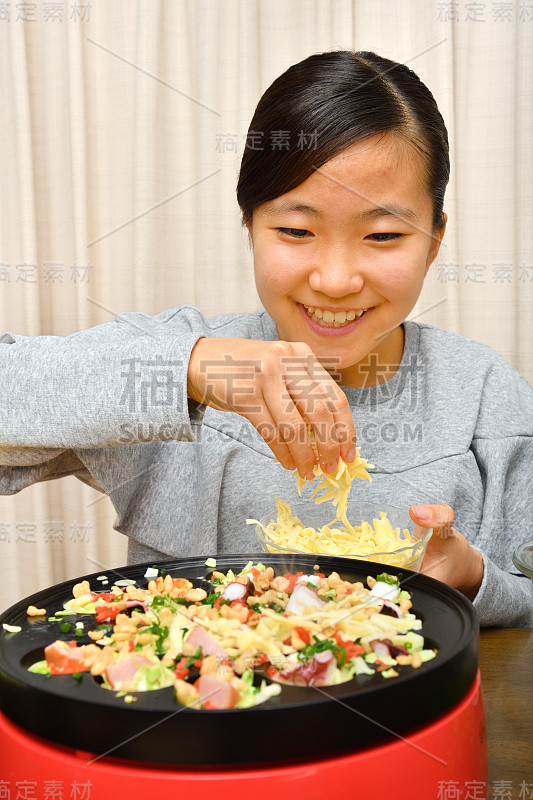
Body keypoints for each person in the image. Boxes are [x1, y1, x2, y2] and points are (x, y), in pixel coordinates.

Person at [1, 50, 531, 626]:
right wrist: (192, 370)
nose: (335, 280)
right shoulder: (182, 356)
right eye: (296, 230)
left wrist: (475, 579)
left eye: (381, 235)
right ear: (249, 224)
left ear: (432, 240)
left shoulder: (485, 392)